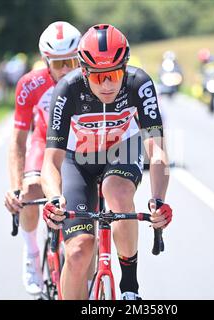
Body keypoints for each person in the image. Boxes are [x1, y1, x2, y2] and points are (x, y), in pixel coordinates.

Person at [41, 24, 173, 300]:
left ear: (125, 67)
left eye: (114, 74)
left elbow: (157, 151)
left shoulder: (140, 83)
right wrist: (54, 199)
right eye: (98, 77)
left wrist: (158, 200)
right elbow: (51, 161)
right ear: (84, 71)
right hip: (78, 160)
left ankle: (129, 288)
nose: (108, 84)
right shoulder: (67, 89)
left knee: (117, 191)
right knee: (78, 251)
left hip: (122, 151)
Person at [4, 21, 81, 296]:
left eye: (71, 61)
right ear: (45, 60)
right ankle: (32, 252)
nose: (65, 70)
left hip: (79, 145)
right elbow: (18, 140)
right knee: (30, 191)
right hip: (44, 142)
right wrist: (15, 188)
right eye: (57, 63)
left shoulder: (89, 78)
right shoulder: (30, 84)